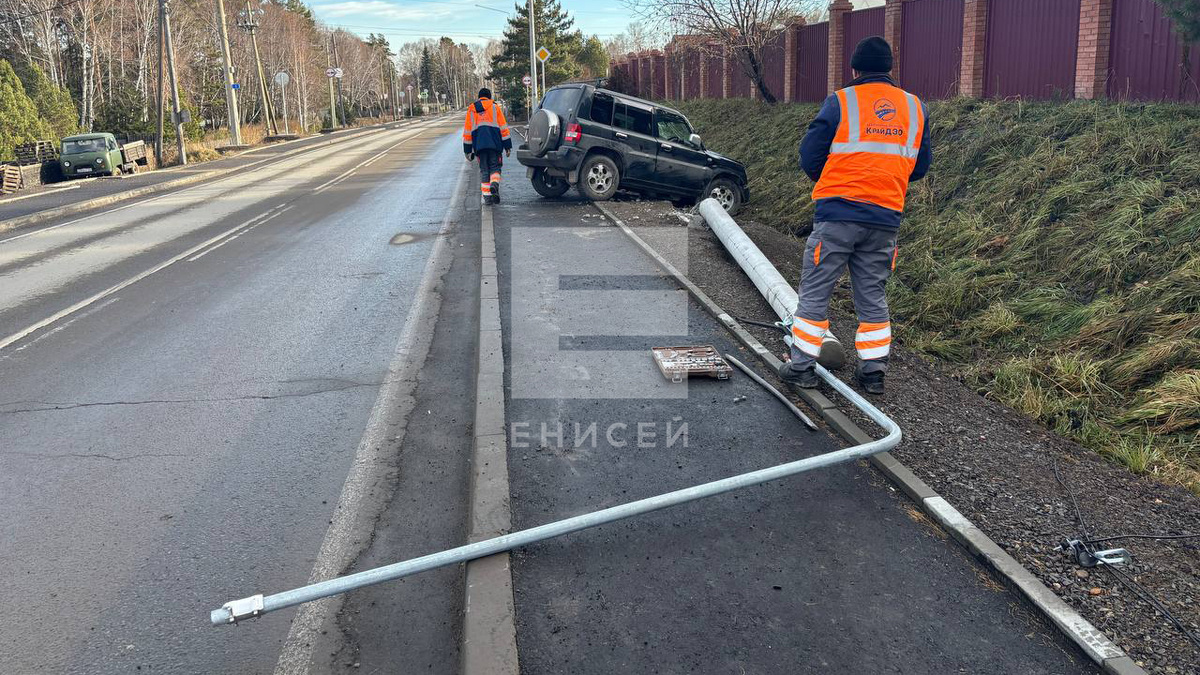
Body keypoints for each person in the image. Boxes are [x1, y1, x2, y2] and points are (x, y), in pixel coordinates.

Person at [778, 36, 932, 395]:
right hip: (885, 217)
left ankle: (801, 367)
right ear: (890, 69)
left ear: (855, 69)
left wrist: (834, 181)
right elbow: (920, 166)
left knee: (816, 291)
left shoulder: (841, 101)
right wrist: (883, 178)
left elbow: (809, 155)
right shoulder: (915, 107)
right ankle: (873, 374)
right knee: (872, 295)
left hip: (837, 215)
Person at [462, 88, 512, 204]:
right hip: (495, 145)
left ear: (479, 97)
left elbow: (467, 132)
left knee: (484, 170)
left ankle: (487, 198)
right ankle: (494, 184)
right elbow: (503, 128)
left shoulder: (471, 110)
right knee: (495, 168)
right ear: (489, 97)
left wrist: (467, 150)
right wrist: (507, 146)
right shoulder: (495, 108)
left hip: (479, 147)